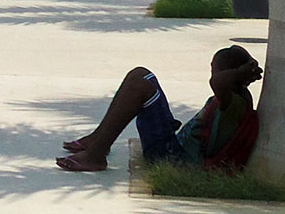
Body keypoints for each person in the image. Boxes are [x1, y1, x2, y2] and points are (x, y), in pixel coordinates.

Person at [57, 45, 262, 172]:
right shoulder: (232, 97)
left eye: (213, 68)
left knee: (140, 85)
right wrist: (240, 72)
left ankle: (95, 156)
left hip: (173, 159)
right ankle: (97, 141)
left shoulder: (235, 102)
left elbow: (216, 82)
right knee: (141, 74)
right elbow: (219, 81)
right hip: (173, 147)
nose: (211, 72)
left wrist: (241, 71)